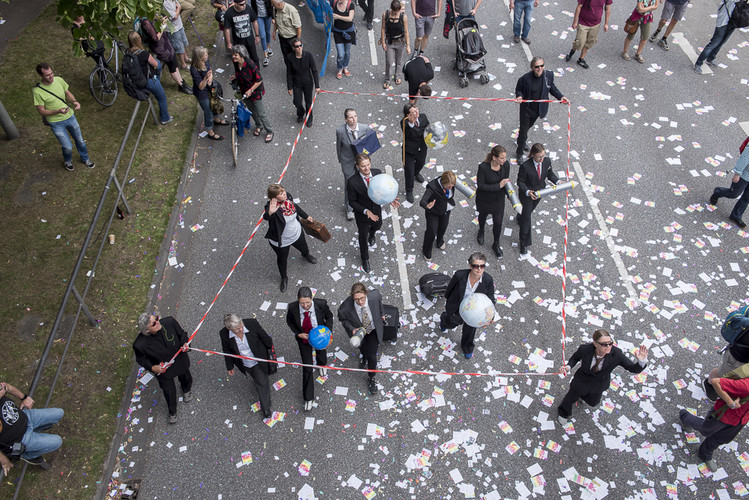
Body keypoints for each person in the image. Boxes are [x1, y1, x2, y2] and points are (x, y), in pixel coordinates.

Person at [557, 330, 648, 425]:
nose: (608, 347)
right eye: (604, 344)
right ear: (595, 344)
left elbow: (632, 368)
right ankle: (563, 413)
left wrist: (642, 361)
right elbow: (575, 358)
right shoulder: (585, 349)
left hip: (599, 384)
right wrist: (568, 367)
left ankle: (582, 396)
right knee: (570, 398)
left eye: (610, 343)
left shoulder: (616, 354)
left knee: (593, 402)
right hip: (581, 381)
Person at [33, 63, 95, 172]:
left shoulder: (59, 80)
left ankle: (85, 159)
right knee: (67, 146)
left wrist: (75, 101)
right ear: (41, 75)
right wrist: (57, 111)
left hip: (70, 116)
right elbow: (41, 111)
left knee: (80, 141)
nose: (51, 77)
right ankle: (67, 161)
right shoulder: (37, 91)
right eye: (48, 75)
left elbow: (67, 93)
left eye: (52, 73)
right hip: (56, 123)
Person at [679, 377, 749, 472]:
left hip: (740, 421)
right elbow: (716, 382)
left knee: (722, 438)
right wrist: (731, 403)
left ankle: (705, 453)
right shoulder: (746, 385)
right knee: (705, 430)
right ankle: (685, 416)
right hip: (723, 415)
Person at [132, 314, 193, 424]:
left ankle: (186, 390)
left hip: (179, 360)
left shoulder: (169, 322)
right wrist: (153, 367)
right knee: (169, 391)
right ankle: (172, 411)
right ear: (147, 330)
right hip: (163, 369)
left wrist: (185, 343)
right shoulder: (139, 344)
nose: (157, 322)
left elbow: (182, 334)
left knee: (185, 377)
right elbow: (142, 360)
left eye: (156, 318)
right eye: (153, 323)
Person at [347, 153, 401, 273]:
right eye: (363, 166)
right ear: (357, 166)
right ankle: (365, 258)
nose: (366, 169)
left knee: (378, 226)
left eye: (368, 165)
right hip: (362, 214)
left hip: (376, 209)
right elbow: (352, 202)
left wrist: (389, 199)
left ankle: (372, 234)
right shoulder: (352, 181)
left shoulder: (377, 173)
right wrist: (366, 211)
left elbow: (383, 189)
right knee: (362, 236)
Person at [440, 252, 495, 359]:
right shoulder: (459, 275)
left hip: (475, 312)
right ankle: (444, 321)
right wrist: (448, 303)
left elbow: (490, 298)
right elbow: (450, 289)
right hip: (457, 308)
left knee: (470, 331)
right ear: (470, 266)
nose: (479, 269)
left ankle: (467, 347)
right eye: (476, 266)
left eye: (482, 266)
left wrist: (489, 318)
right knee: (450, 323)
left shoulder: (488, 280)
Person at [262, 183, 317, 292]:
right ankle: (284, 278)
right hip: (282, 240)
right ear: (274, 198)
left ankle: (306, 255)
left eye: (283, 190)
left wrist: (306, 216)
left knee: (304, 247)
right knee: (282, 259)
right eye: (281, 193)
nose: (284, 194)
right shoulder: (271, 207)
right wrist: (270, 213)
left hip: (296, 232)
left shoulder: (288, 198)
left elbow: (296, 207)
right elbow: (266, 217)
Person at [220, 313, 275, 419]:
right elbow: (226, 349)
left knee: (261, 382)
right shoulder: (223, 334)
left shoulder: (252, 323)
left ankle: (266, 407)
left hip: (257, 359)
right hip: (244, 363)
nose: (241, 330)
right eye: (237, 330)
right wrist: (229, 366)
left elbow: (266, 339)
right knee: (255, 377)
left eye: (241, 326)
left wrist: (268, 351)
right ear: (229, 329)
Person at [286, 287, 333, 411]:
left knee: (321, 352)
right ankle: (308, 397)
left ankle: (322, 365)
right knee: (307, 367)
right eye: (302, 303)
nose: (305, 306)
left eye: (307, 302)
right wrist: (298, 334)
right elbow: (289, 322)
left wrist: (327, 333)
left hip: (320, 336)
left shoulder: (321, 304)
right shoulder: (292, 308)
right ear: (298, 300)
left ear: (312, 298)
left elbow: (329, 317)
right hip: (304, 338)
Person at [0, 382, 63, 473]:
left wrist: (24, 398)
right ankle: (25, 455)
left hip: (26, 417)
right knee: (57, 441)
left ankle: (36, 431)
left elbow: (7, 387)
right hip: (20, 439)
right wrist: (5, 461)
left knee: (59, 413)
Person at [514, 57, 568, 161]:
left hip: (538, 110)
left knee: (528, 127)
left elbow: (552, 88)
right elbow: (519, 89)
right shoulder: (525, 78)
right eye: (537, 66)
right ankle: (519, 152)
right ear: (532, 67)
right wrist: (519, 96)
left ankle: (522, 141)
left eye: (542, 66)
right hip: (527, 110)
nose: (540, 68)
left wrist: (561, 97)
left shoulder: (548, 75)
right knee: (523, 131)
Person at [337, 282, 386, 394]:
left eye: (362, 298)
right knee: (362, 348)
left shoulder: (375, 295)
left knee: (372, 356)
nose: (360, 302)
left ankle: (372, 377)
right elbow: (342, 319)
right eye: (357, 300)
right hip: (359, 330)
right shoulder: (344, 308)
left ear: (366, 293)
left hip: (373, 329)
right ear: (352, 297)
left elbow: (380, 303)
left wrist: (382, 313)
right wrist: (352, 328)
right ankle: (364, 356)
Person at [516, 143, 558, 255]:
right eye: (539, 157)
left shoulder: (547, 161)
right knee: (527, 219)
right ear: (533, 155)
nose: (541, 159)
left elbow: (550, 174)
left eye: (543, 156)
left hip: (539, 192)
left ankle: (520, 216)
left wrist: (558, 182)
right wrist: (527, 191)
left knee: (527, 212)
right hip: (527, 195)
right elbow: (520, 181)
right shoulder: (525, 166)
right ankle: (524, 243)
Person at [127, 31, 173, 126]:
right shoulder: (144, 54)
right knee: (162, 98)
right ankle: (165, 118)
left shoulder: (128, 54)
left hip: (136, 81)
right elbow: (156, 64)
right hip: (149, 80)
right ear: (138, 40)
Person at [231, 44, 274, 143]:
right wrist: (236, 76)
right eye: (233, 54)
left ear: (242, 55)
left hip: (255, 92)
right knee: (252, 111)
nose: (233, 56)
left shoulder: (250, 64)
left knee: (261, 112)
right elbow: (241, 74)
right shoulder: (236, 63)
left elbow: (259, 80)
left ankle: (269, 130)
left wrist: (251, 90)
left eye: (235, 55)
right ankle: (259, 125)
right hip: (244, 91)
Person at [139, 17, 192, 94]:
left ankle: (182, 82)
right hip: (159, 47)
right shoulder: (145, 22)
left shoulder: (149, 16)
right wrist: (163, 26)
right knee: (171, 64)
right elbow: (155, 38)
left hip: (164, 43)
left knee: (174, 60)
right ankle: (181, 86)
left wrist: (161, 21)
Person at [476, 145, 510, 259]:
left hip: (498, 200)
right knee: (482, 216)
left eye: (505, 157)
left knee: (498, 223)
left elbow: (505, 182)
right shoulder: (483, 167)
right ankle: (481, 230)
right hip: (485, 198)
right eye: (502, 158)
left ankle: (496, 243)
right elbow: (481, 185)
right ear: (494, 157)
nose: (504, 160)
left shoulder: (506, 165)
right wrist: (498, 186)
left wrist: (509, 194)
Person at [336, 108, 369, 220]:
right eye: (351, 117)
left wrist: (367, 156)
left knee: (364, 180)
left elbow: (370, 142)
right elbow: (339, 147)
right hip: (348, 161)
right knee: (349, 184)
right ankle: (349, 209)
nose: (354, 119)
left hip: (362, 161)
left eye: (355, 116)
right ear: (346, 119)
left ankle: (365, 201)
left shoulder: (364, 128)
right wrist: (341, 160)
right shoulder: (340, 131)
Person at [709, 139, 749, 228]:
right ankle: (717, 192)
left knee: (747, 198)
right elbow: (745, 157)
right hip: (744, 174)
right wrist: (737, 173)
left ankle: (736, 215)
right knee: (733, 193)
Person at [190, 46, 226, 140]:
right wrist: (206, 79)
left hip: (210, 88)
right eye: (205, 55)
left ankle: (216, 119)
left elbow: (210, 71)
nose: (207, 56)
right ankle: (210, 131)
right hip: (202, 93)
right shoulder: (194, 70)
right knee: (208, 111)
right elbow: (201, 87)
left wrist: (210, 79)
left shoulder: (206, 61)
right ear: (199, 57)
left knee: (214, 104)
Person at [694, 0, 740, 74]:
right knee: (714, 43)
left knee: (722, 42)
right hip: (723, 20)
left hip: (734, 21)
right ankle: (698, 63)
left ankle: (711, 58)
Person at [564, 0, 612, 69]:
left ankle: (581, 59)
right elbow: (579, 7)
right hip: (583, 22)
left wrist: (606, 24)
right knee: (580, 41)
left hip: (596, 24)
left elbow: (608, 9)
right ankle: (572, 51)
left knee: (590, 42)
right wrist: (575, 22)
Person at [420, 171, 456, 259]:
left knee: (443, 226)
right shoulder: (432, 188)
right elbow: (422, 201)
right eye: (449, 186)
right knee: (431, 232)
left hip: (445, 209)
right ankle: (426, 250)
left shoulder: (451, 183)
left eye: (452, 185)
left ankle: (439, 241)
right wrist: (427, 205)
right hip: (433, 212)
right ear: (443, 183)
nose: (451, 187)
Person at [286, 38, 321, 126]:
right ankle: (301, 113)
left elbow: (314, 70)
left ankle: (309, 117)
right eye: (297, 46)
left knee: (308, 101)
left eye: (300, 46)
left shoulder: (308, 56)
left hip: (308, 82)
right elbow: (289, 73)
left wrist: (317, 86)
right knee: (297, 102)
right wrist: (289, 87)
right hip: (296, 83)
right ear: (293, 48)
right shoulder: (290, 57)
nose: (299, 48)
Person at [401, 103, 429, 203]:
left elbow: (428, 129)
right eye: (413, 112)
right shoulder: (404, 123)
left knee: (421, 163)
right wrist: (412, 124)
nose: (416, 113)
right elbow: (411, 134)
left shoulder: (423, 117)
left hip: (421, 148)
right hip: (409, 151)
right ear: (407, 115)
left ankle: (416, 173)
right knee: (409, 172)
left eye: (416, 110)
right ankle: (409, 190)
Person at [381, 0, 411, 90]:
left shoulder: (403, 17)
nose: (395, 13)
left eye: (397, 11)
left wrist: (408, 45)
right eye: (394, 12)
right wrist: (383, 41)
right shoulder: (385, 14)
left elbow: (406, 31)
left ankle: (397, 76)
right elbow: (383, 28)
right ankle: (387, 79)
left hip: (400, 41)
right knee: (389, 62)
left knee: (399, 61)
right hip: (389, 41)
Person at [224, 0, 262, 68]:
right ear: (235, 4)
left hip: (249, 38)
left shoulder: (248, 8)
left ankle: (257, 74)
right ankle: (240, 74)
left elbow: (254, 21)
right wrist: (228, 43)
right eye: (241, 4)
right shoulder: (229, 13)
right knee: (237, 58)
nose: (244, 5)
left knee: (254, 57)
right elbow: (227, 28)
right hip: (238, 41)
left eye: (245, 3)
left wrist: (257, 35)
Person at [332, 0, 356, 79]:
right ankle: (340, 69)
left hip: (348, 33)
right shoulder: (335, 3)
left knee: (347, 52)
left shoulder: (350, 5)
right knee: (340, 54)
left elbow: (350, 18)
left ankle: (345, 66)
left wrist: (338, 17)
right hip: (337, 32)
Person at [163, 0, 190, 70]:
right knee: (179, 47)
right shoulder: (165, 3)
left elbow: (179, 5)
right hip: (173, 29)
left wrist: (177, 9)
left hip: (179, 25)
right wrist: (177, 9)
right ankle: (183, 64)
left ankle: (186, 58)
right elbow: (174, 16)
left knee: (184, 42)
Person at [251, 0, 275, 66]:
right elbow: (252, 6)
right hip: (259, 17)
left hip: (267, 16)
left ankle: (268, 47)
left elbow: (271, 6)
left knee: (267, 32)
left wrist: (273, 17)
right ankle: (265, 55)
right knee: (262, 35)